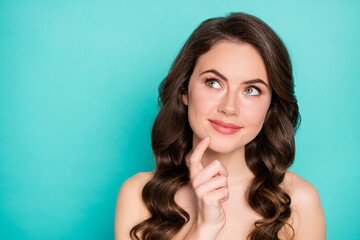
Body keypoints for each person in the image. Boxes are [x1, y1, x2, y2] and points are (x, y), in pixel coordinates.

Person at [114, 12, 326, 240]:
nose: (229, 107)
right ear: (184, 90)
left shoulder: (300, 201)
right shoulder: (138, 194)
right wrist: (204, 228)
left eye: (251, 90)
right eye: (213, 83)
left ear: (271, 105)